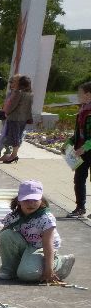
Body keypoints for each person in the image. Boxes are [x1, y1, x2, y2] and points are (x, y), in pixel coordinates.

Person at [0, 180, 74, 283]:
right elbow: (0, 237)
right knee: (5, 235)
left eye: (35, 200)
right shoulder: (14, 216)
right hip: (27, 246)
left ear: (41, 200)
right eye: (26, 200)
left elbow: (48, 245)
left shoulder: (46, 218)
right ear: (19, 200)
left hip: (42, 248)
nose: (31, 204)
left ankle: (60, 263)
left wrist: (49, 269)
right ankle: (9, 270)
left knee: (27, 274)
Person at [0, 75, 33, 164]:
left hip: (14, 118)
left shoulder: (19, 93)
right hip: (23, 119)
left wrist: (5, 113)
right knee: (18, 136)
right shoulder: (30, 94)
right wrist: (29, 118)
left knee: (13, 136)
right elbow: (29, 108)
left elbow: (12, 105)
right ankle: (12, 154)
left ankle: (13, 155)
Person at [69, 81, 91, 219]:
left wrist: (85, 148)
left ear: (88, 95)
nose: (78, 96)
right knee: (79, 178)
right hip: (81, 150)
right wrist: (69, 142)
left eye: (80, 94)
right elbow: (79, 132)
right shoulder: (83, 110)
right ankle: (80, 207)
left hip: (87, 149)